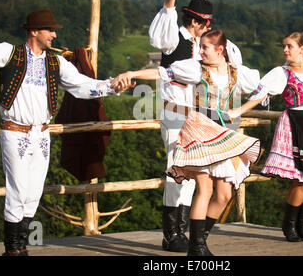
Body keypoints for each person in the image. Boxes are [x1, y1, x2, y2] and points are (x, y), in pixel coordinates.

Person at [0, 0, 118, 256]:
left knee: (34, 192)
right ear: (34, 32)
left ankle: (20, 245)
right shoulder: (9, 52)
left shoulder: (54, 62)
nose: (54, 34)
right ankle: (14, 249)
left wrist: (111, 85)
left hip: (41, 134)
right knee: (18, 190)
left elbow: (81, 85)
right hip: (15, 131)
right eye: (50, 30)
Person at [113, 29, 263, 255]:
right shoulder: (196, 68)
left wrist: (240, 110)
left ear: (220, 50)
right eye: (200, 46)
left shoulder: (236, 73)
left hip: (221, 132)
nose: (200, 51)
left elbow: (262, 89)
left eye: (205, 48)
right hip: (198, 129)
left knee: (224, 194)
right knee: (205, 189)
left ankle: (199, 239)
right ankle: (197, 247)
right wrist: (132, 72)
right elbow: (161, 73)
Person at [148, 0, 243, 252]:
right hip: (176, 114)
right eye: (205, 21)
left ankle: (183, 232)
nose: (208, 25)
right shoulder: (173, 37)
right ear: (195, 20)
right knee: (177, 171)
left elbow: (230, 57)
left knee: (195, 173)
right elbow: (157, 38)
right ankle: (171, 235)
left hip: (198, 117)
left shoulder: (201, 46)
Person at [228, 32, 303, 242]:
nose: (285, 50)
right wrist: (239, 111)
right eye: (284, 46)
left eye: (289, 46)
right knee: (301, 178)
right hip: (295, 123)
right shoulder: (282, 73)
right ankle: (289, 225)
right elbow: (260, 94)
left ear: (302, 48)